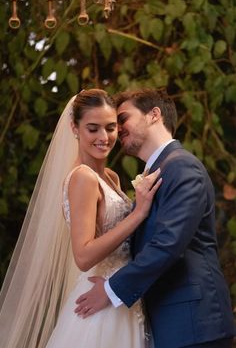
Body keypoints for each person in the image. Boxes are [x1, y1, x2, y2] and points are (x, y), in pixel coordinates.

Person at [0, 89, 161, 348]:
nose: (104, 137)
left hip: (120, 297)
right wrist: (139, 213)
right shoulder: (82, 178)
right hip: (100, 302)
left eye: (110, 128)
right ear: (75, 128)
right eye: (93, 128)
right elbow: (83, 256)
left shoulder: (110, 176)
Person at [75, 88, 236, 348]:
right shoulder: (158, 172)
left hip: (194, 325)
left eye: (123, 118)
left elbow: (168, 243)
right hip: (168, 323)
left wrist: (110, 290)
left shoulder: (182, 167)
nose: (118, 127)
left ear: (154, 115)